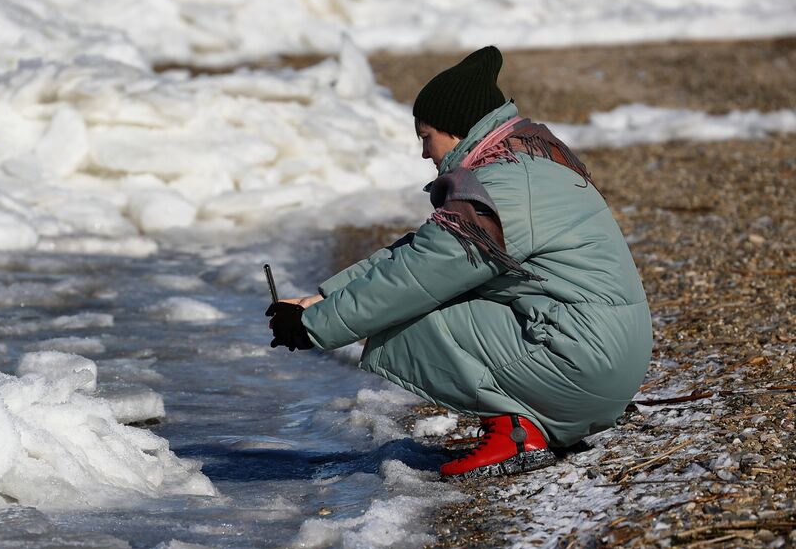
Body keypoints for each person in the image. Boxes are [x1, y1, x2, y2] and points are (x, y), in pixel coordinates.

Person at [266, 46, 651, 479]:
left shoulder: (503, 187)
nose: (424, 152)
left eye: (425, 136)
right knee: (417, 296)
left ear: (455, 129)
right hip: (601, 357)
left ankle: (517, 432)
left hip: (584, 366)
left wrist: (315, 327)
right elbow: (421, 254)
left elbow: (416, 278)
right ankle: (539, 414)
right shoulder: (525, 160)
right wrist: (322, 299)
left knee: (407, 316)